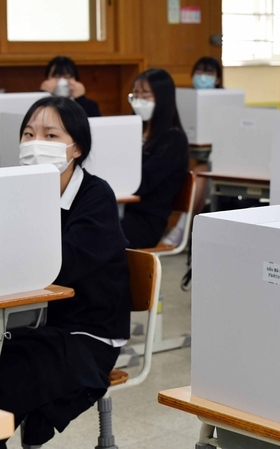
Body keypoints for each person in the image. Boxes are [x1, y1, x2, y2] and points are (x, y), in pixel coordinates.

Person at [0, 96, 131, 447]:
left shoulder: (95, 195)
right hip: (35, 324)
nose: (34, 143)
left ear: (76, 148)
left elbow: (63, 264)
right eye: (28, 134)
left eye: (50, 135)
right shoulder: (22, 191)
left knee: (7, 380)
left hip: (88, 335)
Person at [122, 68, 189, 249]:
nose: (139, 99)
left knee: (94, 234)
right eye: (135, 94)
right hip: (120, 211)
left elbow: (142, 183)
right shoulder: (130, 131)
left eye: (145, 94)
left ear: (163, 97)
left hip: (144, 221)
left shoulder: (172, 140)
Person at [161, 57, 224, 247]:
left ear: (218, 79)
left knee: (198, 175)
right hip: (189, 154)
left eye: (209, 73)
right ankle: (184, 228)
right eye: (199, 72)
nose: (203, 77)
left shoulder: (226, 102)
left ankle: (182, 227)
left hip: (216, 159)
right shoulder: (184, 100)